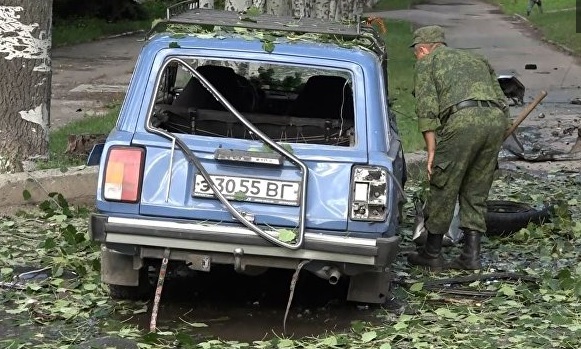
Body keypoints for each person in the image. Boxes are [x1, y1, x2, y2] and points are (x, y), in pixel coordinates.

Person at [407, 25, 509, 271]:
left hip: (462, 120)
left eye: (416, 53)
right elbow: (502, 101)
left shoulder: (427, 63)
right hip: (495, 120)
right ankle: (471, 257)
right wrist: (497, 134)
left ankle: (432, 254)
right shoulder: (477, 58)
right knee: (476, 189)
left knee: (444, 184)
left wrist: (432, 152)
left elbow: (426, 109)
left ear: (423, 49)